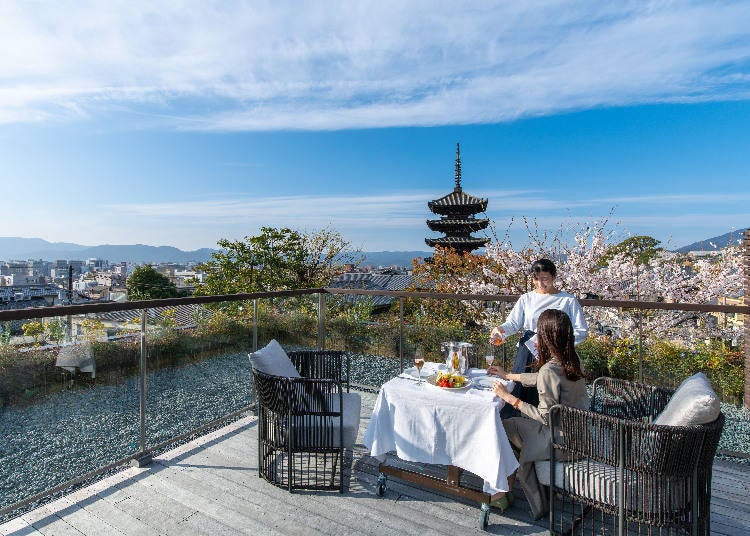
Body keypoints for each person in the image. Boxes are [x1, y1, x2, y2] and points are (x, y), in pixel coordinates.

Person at [489, 309, 589, 519]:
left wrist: (508, 397)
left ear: (547, 338)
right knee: (515, 423)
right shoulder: (572, 359)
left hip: (560, 443)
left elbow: (545, 416)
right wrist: (508, 375)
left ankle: (504, 489)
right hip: (581, 434)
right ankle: (511, 483)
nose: (535, 338)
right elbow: (540, 378)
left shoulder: (549, 371)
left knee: (501, 425)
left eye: (538, 334)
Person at [489, 258, 587, 416]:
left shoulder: (568, 300)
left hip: (556, 352)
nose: (540, 283)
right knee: (518, 388)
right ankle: (511, 425)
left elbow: (581, 331)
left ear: (554, 277)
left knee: (546, 393)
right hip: (529, 348)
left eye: (545, 279)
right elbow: (513, 323)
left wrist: (560, 344)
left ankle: (543, 428)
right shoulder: (527, 298)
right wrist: (500, 329)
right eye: (536, 279)